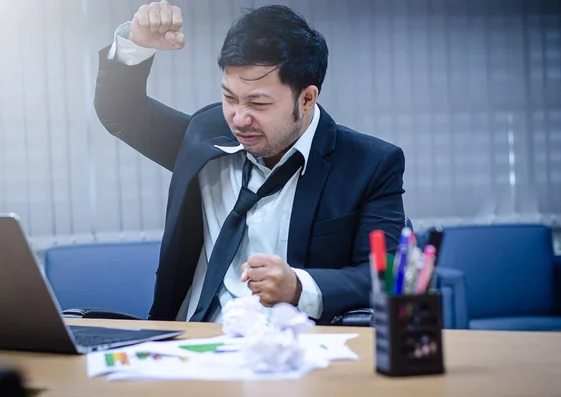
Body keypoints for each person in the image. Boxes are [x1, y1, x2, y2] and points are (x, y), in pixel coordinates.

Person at [94, 1, 406, 325]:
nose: (239, 119)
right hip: (192, 345)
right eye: (229, 98)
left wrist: (300, 287)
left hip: (293, 354)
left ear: (307, 98)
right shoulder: (206, 134)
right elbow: (123, 113)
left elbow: (385, 275)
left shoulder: (368, 165)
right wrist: (136, 45)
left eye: (258, 102)